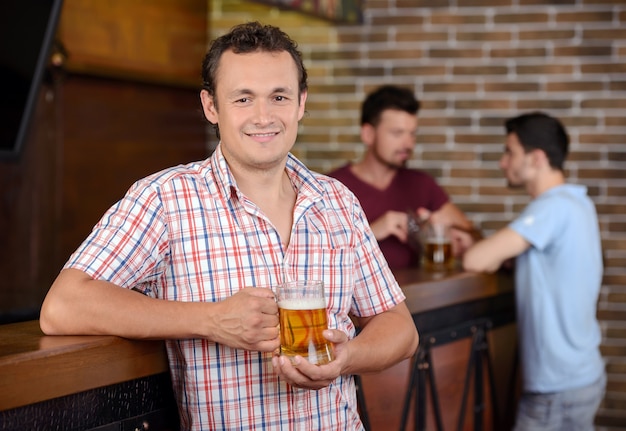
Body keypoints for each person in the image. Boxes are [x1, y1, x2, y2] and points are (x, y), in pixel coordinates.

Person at [39, 22, 419, 430]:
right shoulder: (165, 199)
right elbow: (63, 307)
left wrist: (347, 359)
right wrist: (211, 320)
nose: (263, 116)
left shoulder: (338, 201)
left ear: (301, 104)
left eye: (279, 97)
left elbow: (400, 328)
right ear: (210, 106)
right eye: (243, 98)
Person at [460, 112, 606, 431]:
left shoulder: (552, 207)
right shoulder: (577, 203)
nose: (503, 162)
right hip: (580, 374)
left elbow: (476, 260)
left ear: (537, 158)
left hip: (557, 386)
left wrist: (476, 247)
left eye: (510, 151)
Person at [327, 85, 473, 269]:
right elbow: (315, 260)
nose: (408, 144)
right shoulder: (330, 188)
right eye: (397, 133)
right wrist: (370, 233)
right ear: (368, 134)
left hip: (419, 296)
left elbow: (472, 236)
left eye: (412, 134)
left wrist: (459, 238)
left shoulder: (422, 184)